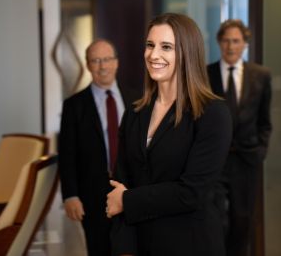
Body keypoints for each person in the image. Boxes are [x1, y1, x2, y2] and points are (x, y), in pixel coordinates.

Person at [106, 13, 232, 256]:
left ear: (187, 53)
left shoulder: (213, 114)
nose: (154, 55)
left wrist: (128, 201)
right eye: (150, 45)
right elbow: (119, 186)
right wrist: (124, 249)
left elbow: (191, 193)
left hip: (191, 245)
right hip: (141, 245)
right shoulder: (134, 112)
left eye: (166, 47)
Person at [58, 39, 139, 256]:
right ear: (87, 65)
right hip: (93, 194)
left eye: (107, 59)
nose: (102, 66)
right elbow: (67, 154)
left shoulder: (137, 99)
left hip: (133, 189)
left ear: (116, 62)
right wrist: (70, 196)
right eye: (95, 61)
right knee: (99, 248)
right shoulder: (74, 105)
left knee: (133, 247)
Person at [207, 19, 272, 256]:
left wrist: (260, 151)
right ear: (219, 42)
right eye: (226, 40)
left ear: (245, 44)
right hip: (215, 162)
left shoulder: (261, 75)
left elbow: (265, 121)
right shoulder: (206, 74)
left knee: (242, 221)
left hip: (247, 161)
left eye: (236, 41)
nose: (230, 46)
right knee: (216, 219)